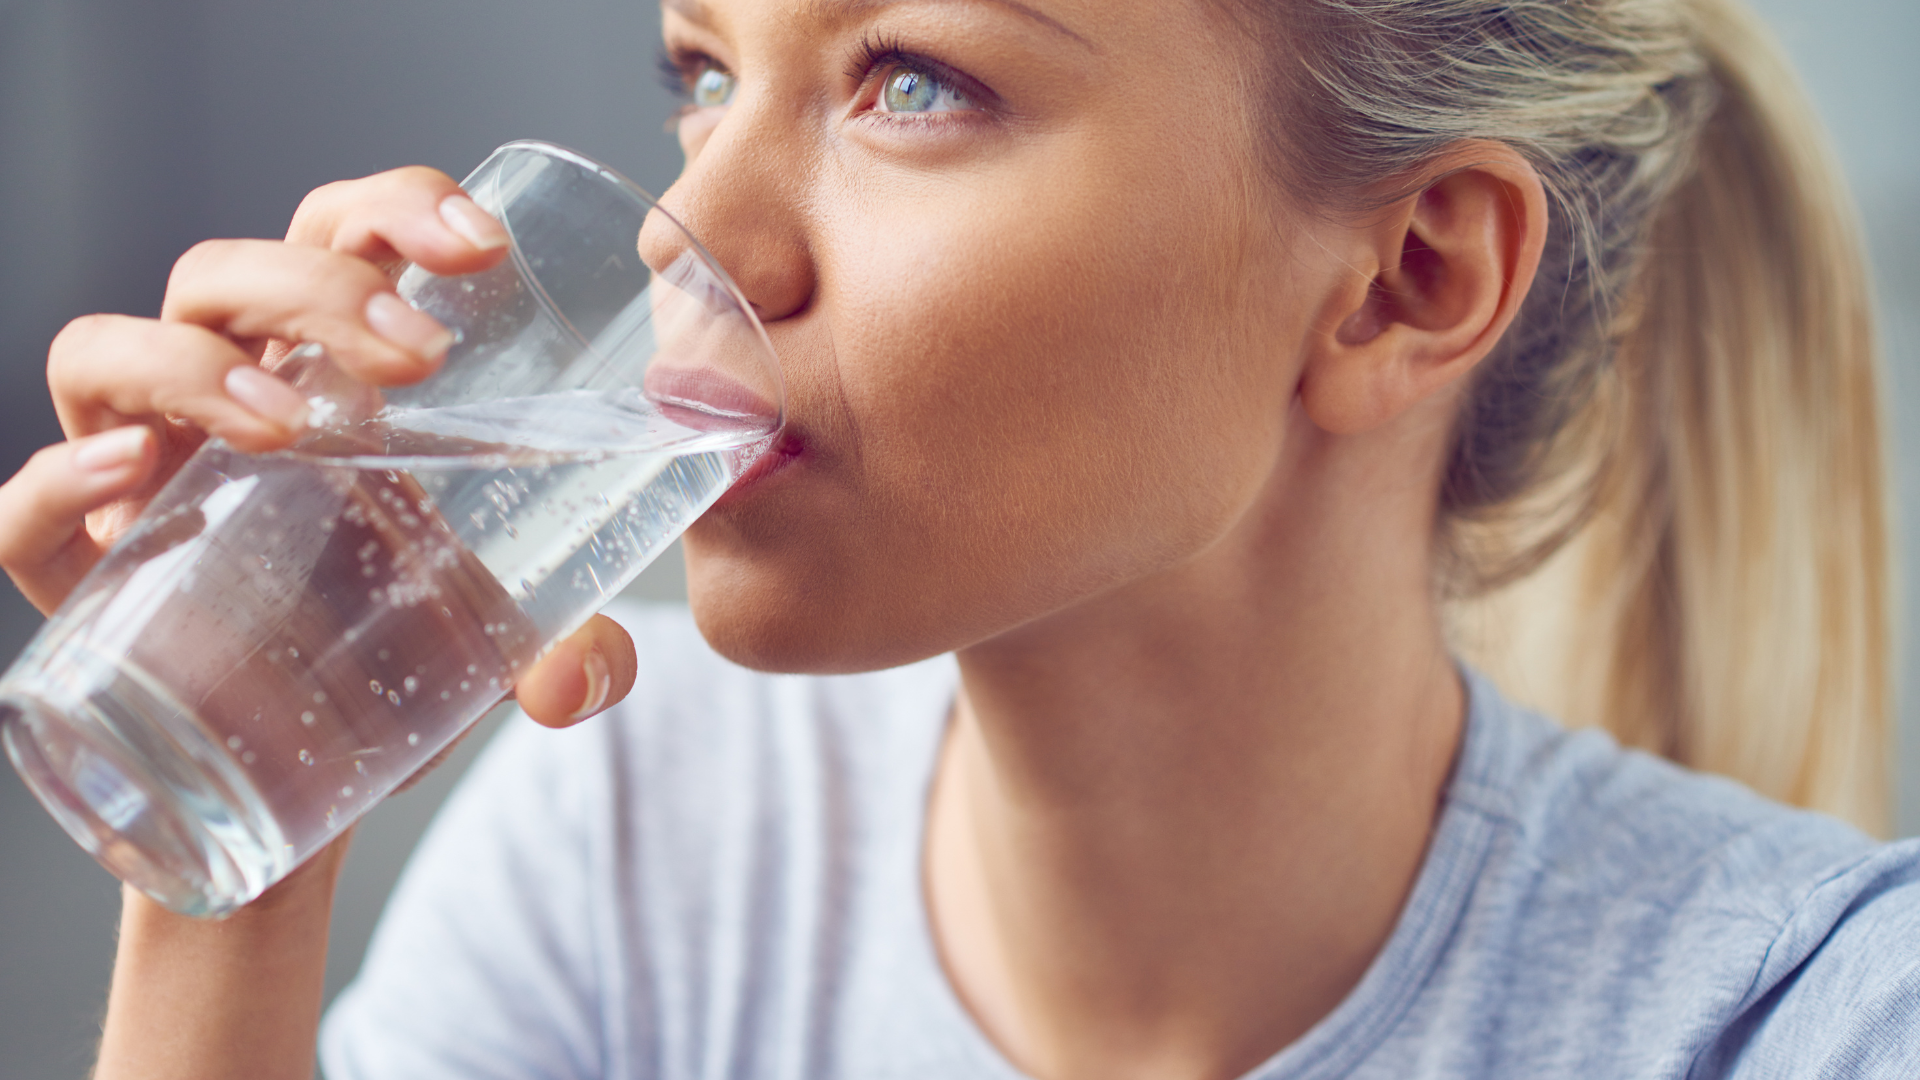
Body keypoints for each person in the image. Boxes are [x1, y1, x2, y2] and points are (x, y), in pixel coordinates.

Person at [1, 0, 1912, 1075]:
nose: (689, 240)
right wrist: (234, 835)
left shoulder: (1810, 1020)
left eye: (915, 82)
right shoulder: (644, 842)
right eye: (702, 75)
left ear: (1407, 283)